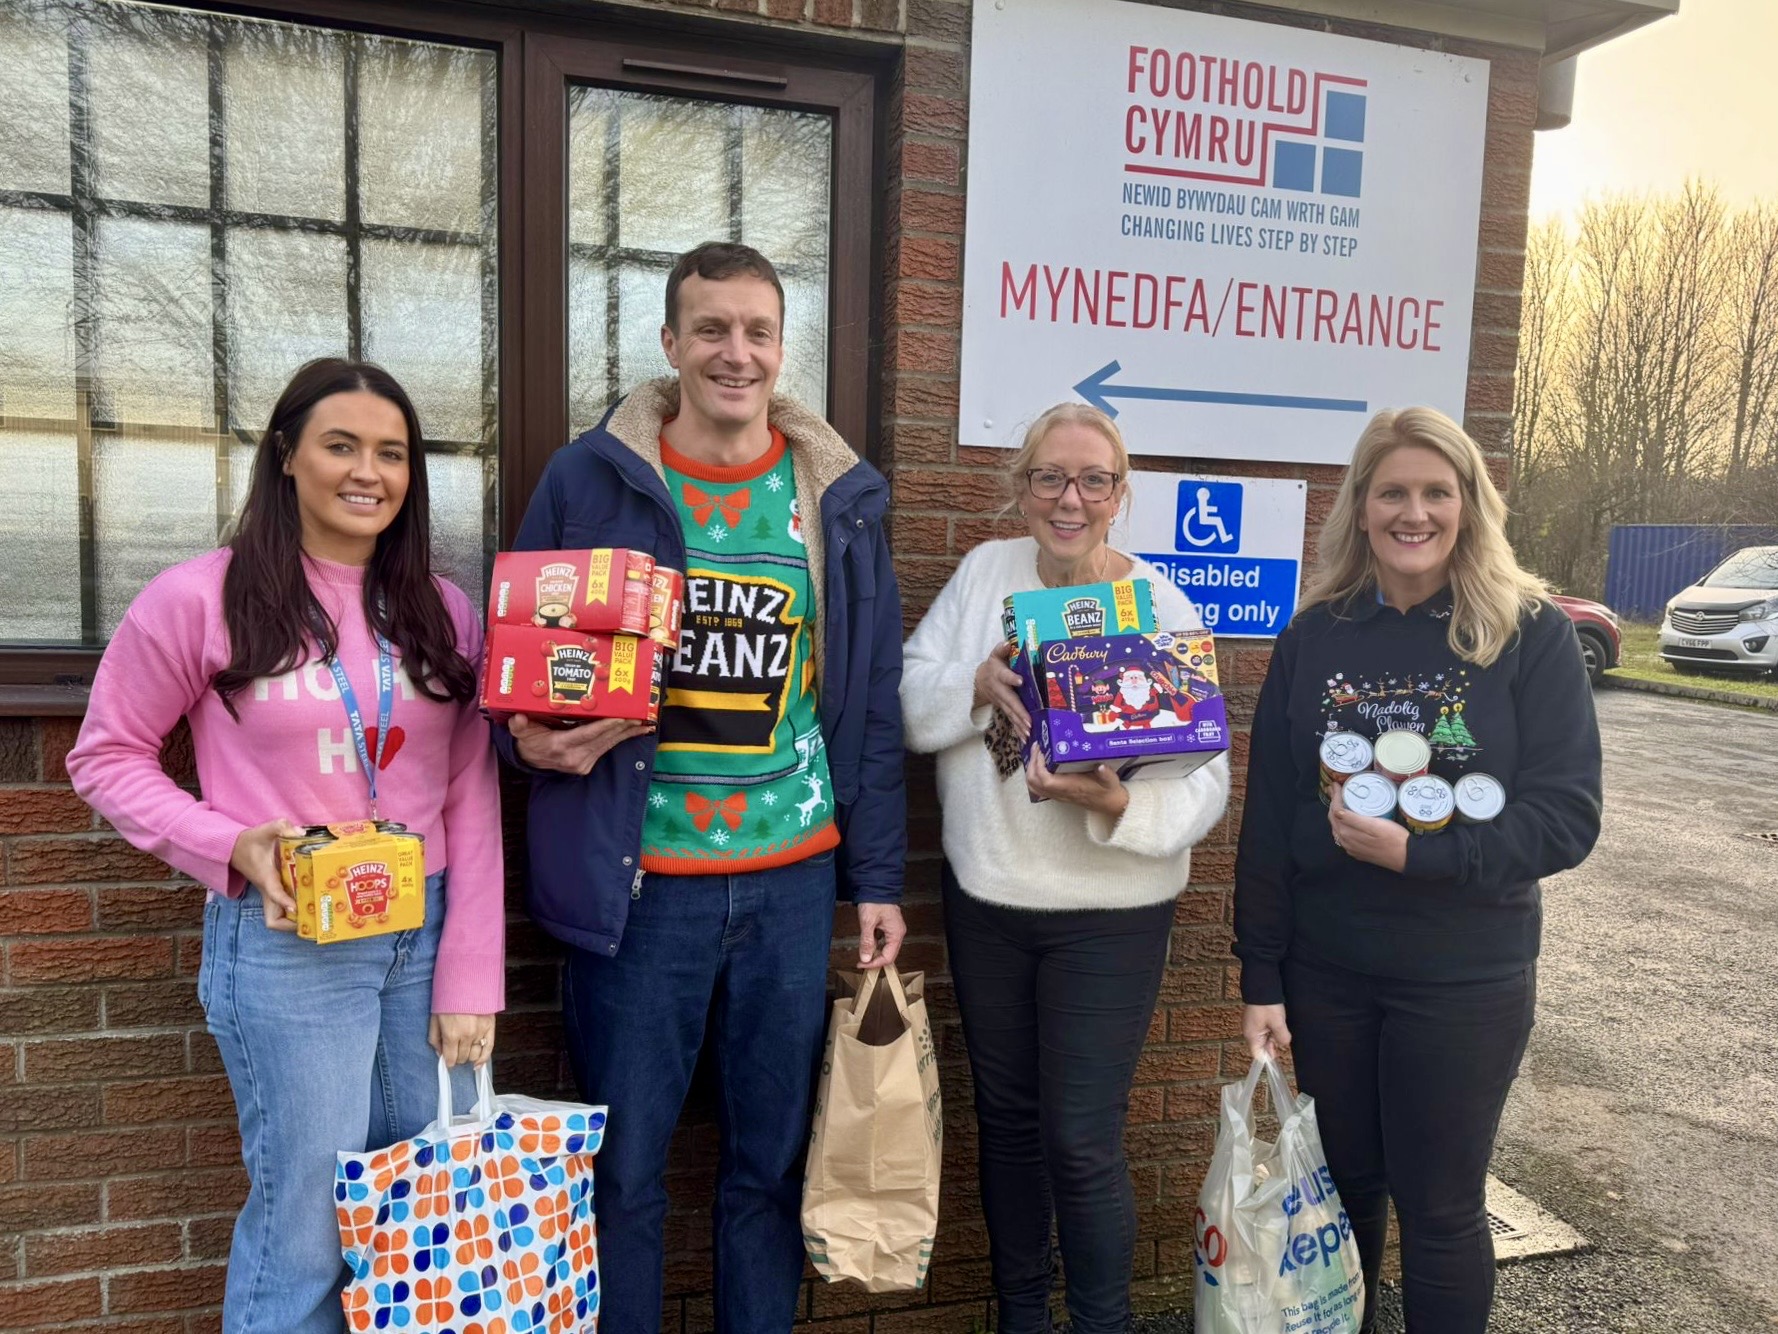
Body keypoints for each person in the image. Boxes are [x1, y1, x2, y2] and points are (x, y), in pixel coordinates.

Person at [496, 241, 907, 1334]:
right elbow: (514, 669)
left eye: (757, 331)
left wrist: (875, 877)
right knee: (621, 1170)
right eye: (711, 329)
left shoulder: (835, 493)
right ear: (670, 343)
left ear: (781, 347)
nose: (736, 352)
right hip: (640, 889)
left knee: (765, 1169)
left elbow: (870, 701)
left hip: (787, 883)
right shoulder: (589, 479)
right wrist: (524, 743)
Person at [66, 359, 505, 1334]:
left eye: (391, 452)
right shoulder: (201, 599)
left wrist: (472, 969)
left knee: (433, 1216)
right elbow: (105, 755)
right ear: (286, 455)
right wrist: (231, 844)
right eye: (340, 444)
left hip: (425, 941)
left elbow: (471, 786)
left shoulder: (442, 609)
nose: (368, 471)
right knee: (307, 1228)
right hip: (289, 939)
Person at [1233, 407, 1603, 1334]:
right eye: (1392, 491)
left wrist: (1424, 853)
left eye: (1438, 492)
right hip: (1330, 971)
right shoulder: (1316, 635)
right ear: (1360, 508)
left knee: (1440, 1212)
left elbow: (1567, 818)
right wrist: (1262, 975)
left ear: (1470, 506)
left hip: (1465, 978)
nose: (1415, 512)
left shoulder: (1527, 634)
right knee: (1347, 1194)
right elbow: (1272, 818)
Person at [901, 402, 1230, 1334]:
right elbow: (904, 695)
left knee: (1080, 1142)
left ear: (1121, 495)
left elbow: (1209, 779)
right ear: (1022, 488)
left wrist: (1124, 805)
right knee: (1004, 1128)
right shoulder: (982, 575)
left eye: (1093, 479)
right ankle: (1020, 1320)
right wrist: (974, 686)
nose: (1070, 497)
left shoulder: (1161, 604)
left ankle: (1100, 1322)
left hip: (1111, 914)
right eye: (1049, 477)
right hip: (992, 900)